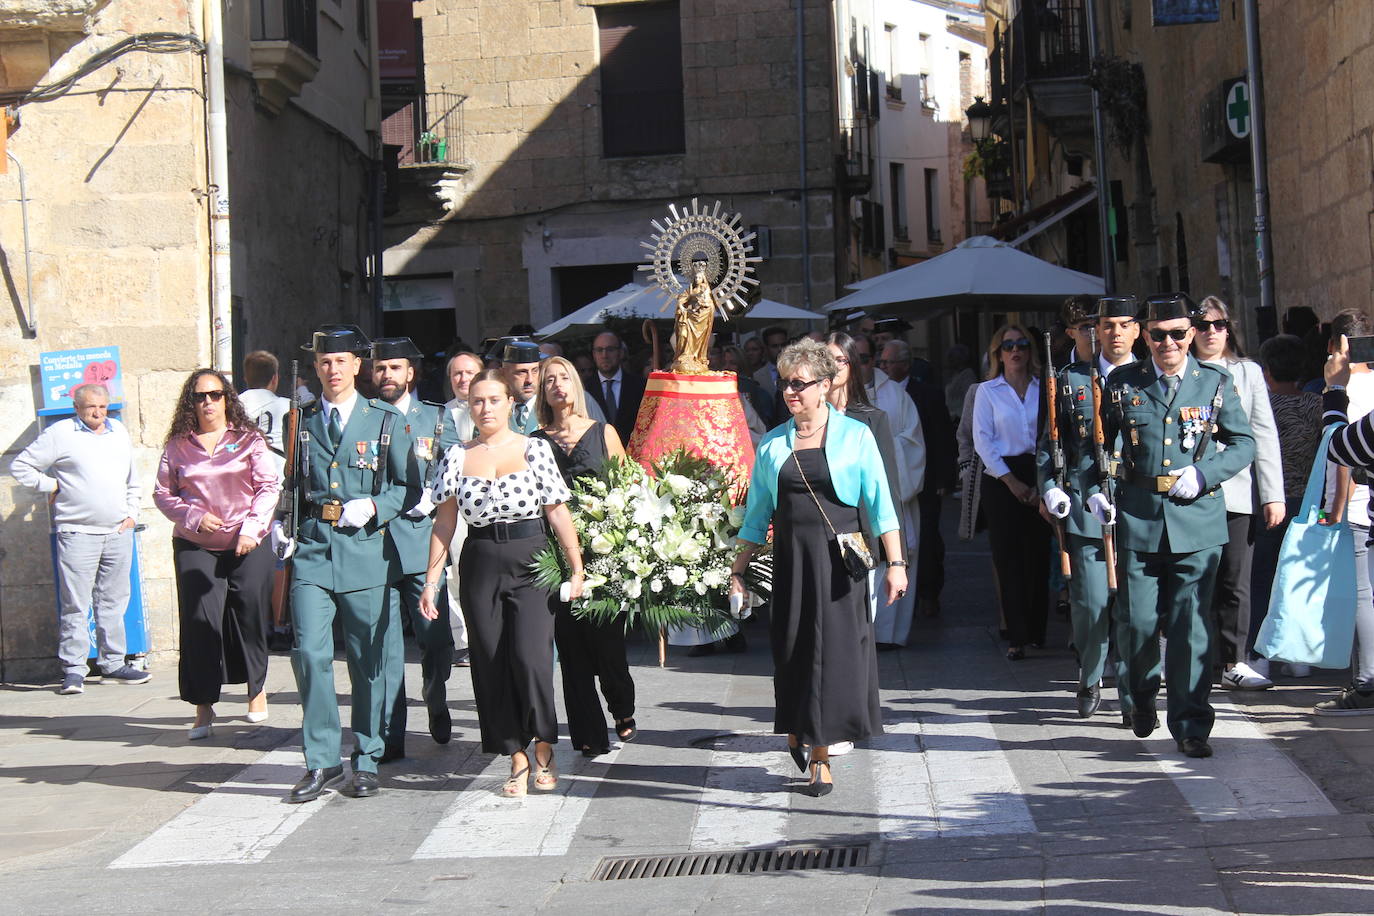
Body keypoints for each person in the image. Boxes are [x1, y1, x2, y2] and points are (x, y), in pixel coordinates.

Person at [729, 339, 905, 797]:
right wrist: (737, 570)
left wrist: (896, 563)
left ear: (825, 386)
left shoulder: (856, 435)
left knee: (835, 656)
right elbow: (756, 516)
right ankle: (796, 728)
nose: (790, 391)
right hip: (791, 563)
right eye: (785, 383)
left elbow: (881, 505)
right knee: (794, 653)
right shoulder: (773, 442)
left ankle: (821, 755)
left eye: (799, 384)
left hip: (839, 564)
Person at [1097, 295, 1255, 758]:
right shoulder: (1124, 383)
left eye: (1178, 334)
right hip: (1139, 515)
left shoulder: (1215, 382)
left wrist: (1205, 474)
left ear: (1191, 335)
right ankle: (1141, 695)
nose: (1168, 343)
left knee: (1190, 627)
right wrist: (1097, 488)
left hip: (1197, 519)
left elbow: (1243, 443)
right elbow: (1101, 444)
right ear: (1145, 336)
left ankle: (1191, 724)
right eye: (1158, 334)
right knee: (1138, 622)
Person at [421, 370, 585, 797]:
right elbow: (444, 521)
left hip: (531, 558)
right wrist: (432, 581)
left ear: (511, 403)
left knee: (531, 658)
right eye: (477, 401)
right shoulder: (456, 455)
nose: (485, 408)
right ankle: (515, 755)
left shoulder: (534, 448)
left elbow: (557, 510)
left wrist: (576, 568)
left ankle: (544, 746)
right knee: (490, 660)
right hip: (480, 561)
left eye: (494, 400)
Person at [272, 324, 416, 803]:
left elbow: (408, 486)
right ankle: (322, 759)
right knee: (309, 655)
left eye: (340, 361)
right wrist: (281, 523)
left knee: (367, 661)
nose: (332, 370)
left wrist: (374, 506)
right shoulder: (302, 419)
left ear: (357, 365)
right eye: (324, 362)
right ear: (315, 368)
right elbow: (293, 481)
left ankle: (368, 756)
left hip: (365, 551)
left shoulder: (384, 419)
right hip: (313, 549)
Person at [153, 369, 280, 738]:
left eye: (214, 394)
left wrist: (251, 529)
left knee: (249, 612)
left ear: (227, 399)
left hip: (247, 539)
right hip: (195, 542)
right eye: (199, 396)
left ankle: (256, 689)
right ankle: (203, 705)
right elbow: (162, 493)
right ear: (190, 402)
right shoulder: (178, 445)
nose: (207, 402)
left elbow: (268, 486)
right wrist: (193, 516)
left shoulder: (249, 439)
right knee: (200, 621)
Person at [12, 383, 150, 694]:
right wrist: (52, 485)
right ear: (77, 408)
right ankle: (74, 670)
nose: (98, 413)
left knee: (113, 602)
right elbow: (21, 466)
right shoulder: (61, 433)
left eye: (103, 407)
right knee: (75, 604)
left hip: (117, 531)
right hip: (77, 533)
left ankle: (113, 664)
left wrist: (132, 515)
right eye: (91, 408)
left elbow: (132, 479)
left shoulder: (118, 432)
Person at [1038, 296, 1140, 719]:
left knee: (1136, 608)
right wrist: (1049, 487)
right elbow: (1050, 442)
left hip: (1138, 509)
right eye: (1105, 325)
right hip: (1084, 508)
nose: (1114, 334)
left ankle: (1134, 693)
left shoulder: (1149, 377)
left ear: (1136, 331)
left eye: (1123, 325)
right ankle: (1091, 674)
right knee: (1091, 602)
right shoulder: (1069, 379)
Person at [529, 357, 636, 756]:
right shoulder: (535, 442)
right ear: (543, 393)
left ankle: (622, 708)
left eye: (564, 377)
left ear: (575, 385)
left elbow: (627, 488)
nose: (557, 385)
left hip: (603, 549)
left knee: (608, 644)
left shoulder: (602, 432)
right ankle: (588, 733)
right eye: (549, 381)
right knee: (571, 649)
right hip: (555, 553)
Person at [371, 337, 460, 760]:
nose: (386, 375)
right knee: (385, 646)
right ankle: (392, 734)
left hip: (423, 543)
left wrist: (436, 496)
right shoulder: (365, 417)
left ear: (411, 372)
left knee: (435, 638)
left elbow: (457, 468)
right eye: (380, 368)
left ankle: (435, 693)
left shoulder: (436, 418)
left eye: (394, 367)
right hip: (375, 543)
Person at [1190, 295, 1285, 690]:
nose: (1211, 332)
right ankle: (1191, 657)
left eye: (1219, 324)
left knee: (1235, 579)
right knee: (1195, 579)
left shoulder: (1247, 373)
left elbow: (1263, 433)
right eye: (1203, 325)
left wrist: (1273, 494)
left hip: (1237, 490)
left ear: (1229, 329)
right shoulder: (1182, 369)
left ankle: (1235, 660)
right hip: (1190, 492)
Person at [826, 333, 907, 654]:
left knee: (856, 630)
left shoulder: (873, 419)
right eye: (826, 360)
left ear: (853, 366)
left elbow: (887, 491)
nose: (833, 367)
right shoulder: (800, 420)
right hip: (817, 533)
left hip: (858, 536)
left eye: (840, 360)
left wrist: (896, 559)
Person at [1250, 334, 1323, 686]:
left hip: (1268, 501)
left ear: (1266, 370)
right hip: (1307, 504)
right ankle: (1298, 657)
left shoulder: (1261, 405)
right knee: (1299, 580)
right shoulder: (1315, 405)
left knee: (1262, 578)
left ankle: (1260, 655)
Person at [973, 324, 1050, 660]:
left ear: (1031, 351)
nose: (1015, 351)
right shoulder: (987, 391)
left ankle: (1037, 630)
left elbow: (1050, 434)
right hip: (1001, 477)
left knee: (1039, 554)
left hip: (1039, 470)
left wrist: (1041, 483)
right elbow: (983, 441)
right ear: (998, 354)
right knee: (1008, 557)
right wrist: (1011, 481)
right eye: (1008, 346)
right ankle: (1016, 635)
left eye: (1021, 344)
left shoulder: (1043, 388)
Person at [1311, 314, 1374, 714]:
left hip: (1357, 510)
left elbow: (1340, 448)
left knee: (1363, 597)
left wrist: (1335, 390)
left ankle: (1367, 682)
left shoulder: (1350, 388)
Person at [854, 333, 925, 647]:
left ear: (875, 360)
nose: (858, 365)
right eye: (851, 359)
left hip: (894, 495)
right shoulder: (833, 395)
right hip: (853, 501)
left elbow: (913, 444)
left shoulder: (896, 395)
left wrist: (880, 450)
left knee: (891, 561)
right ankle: (857, 635)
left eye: (864, 358)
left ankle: (889, 635)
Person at [883, 339, 958, 618]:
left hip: (925, 479)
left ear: (905, 364)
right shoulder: (877, 394)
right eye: (882, 362)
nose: (884, 367)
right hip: (892, 478)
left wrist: (944, 479)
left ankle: (928, 593)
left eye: (889, 362)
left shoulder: (928, 394)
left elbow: (942, 436)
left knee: (927, 538)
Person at [238, 350, 292, 649]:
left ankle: (255, 621)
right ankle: (279, 623)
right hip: (278, 483)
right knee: (280, 553)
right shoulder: (286, 405)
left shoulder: (234, 406)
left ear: (246, 377)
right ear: (275, 378)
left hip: (245, 487)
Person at [586, 331, 647, 445]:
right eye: (599, 350)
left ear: (621, 352)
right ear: (594, 355)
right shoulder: (584, 389)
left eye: (610, 349)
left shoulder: (640, 386)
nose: (604, 355)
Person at [503, 339, 545, 434]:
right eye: (522, 372)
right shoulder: (496, 409)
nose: (529, 380)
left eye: (535, 371)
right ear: (504, 373)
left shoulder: (549, 408)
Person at [752, 325, 788, 396]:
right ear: (766, 348)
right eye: (774, 346)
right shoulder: (757, 376)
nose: (780, 349)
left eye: (783, 345)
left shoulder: (798, 371)